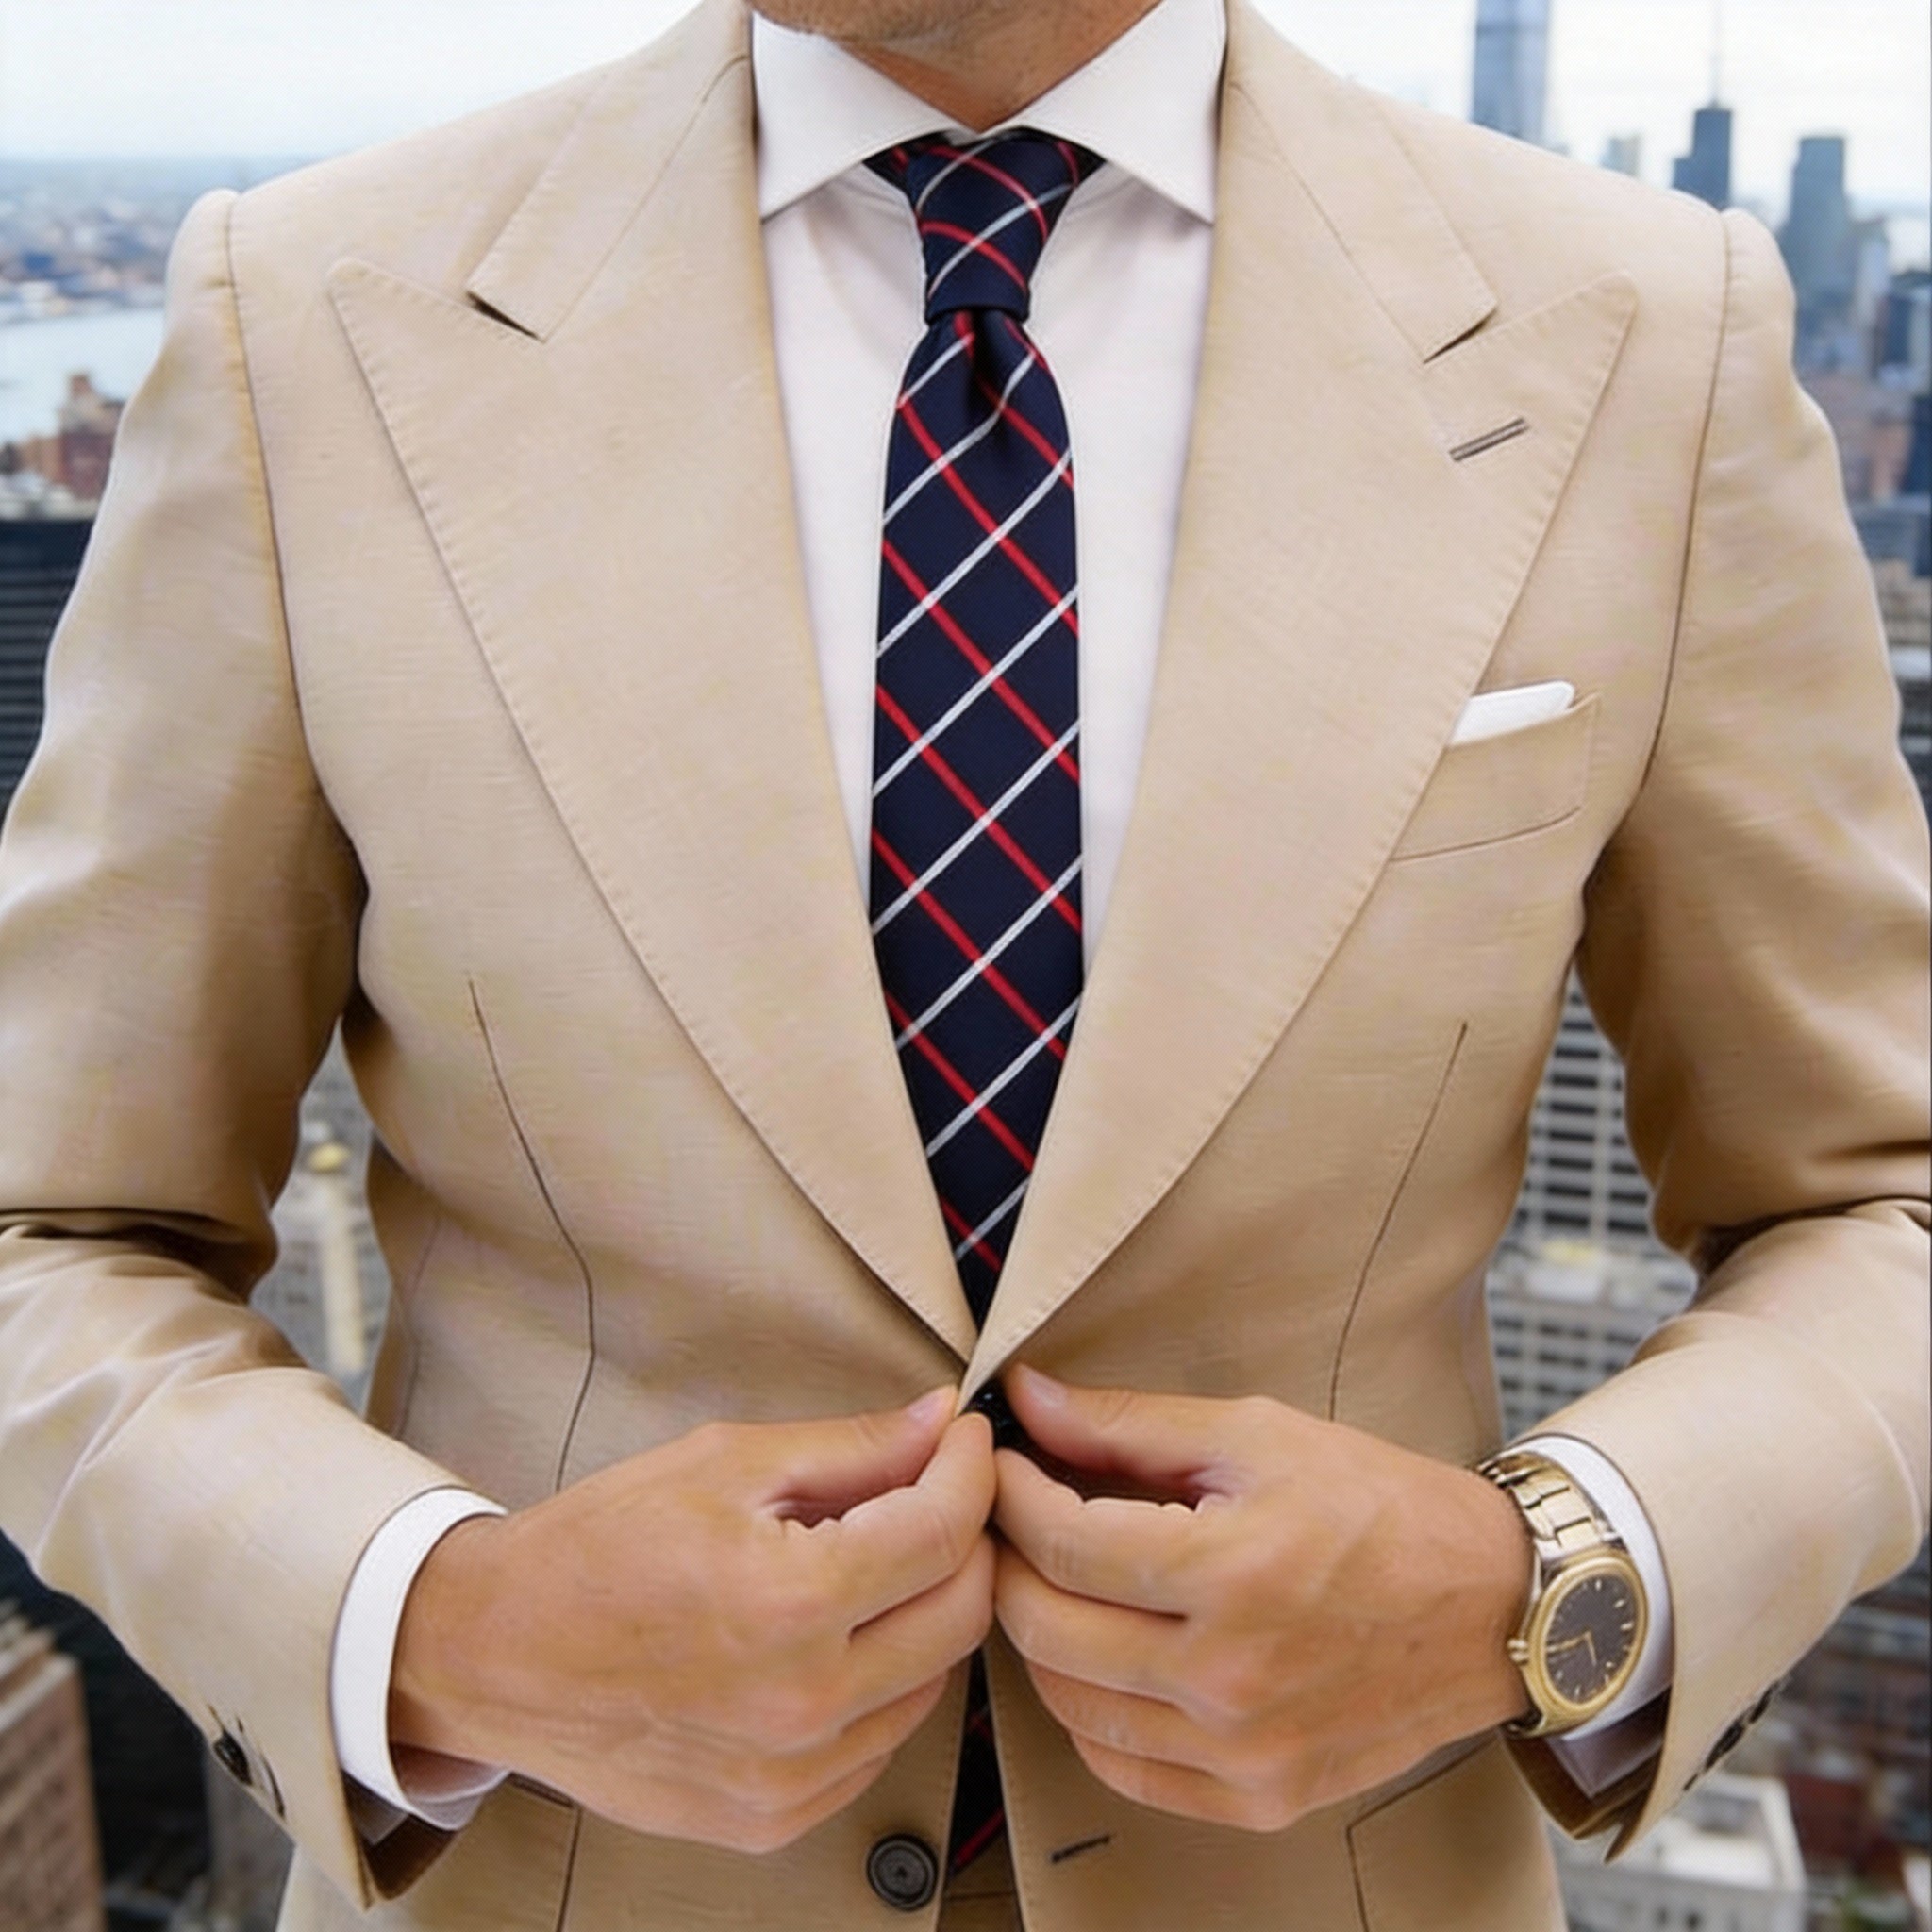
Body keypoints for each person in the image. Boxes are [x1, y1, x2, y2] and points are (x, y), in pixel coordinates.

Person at [0, 0, 1924, 1925]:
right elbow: (49, 1232)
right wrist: (442, 1623)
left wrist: (1542, 1586)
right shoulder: (309, 318)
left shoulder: (1643, 335)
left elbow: (1880, 1203)